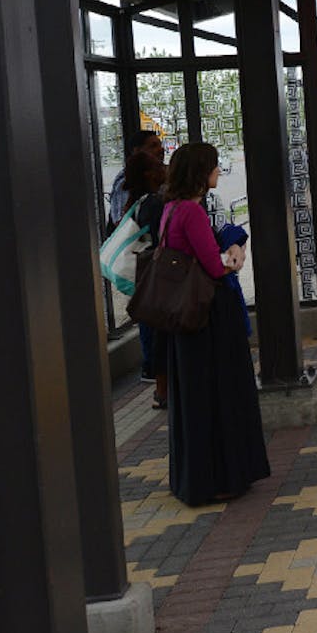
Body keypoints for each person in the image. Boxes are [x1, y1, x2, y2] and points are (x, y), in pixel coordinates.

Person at [160, 142, 270, 506]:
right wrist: (234, 260)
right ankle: (220, 477)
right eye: (214, 166)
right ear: (200, 172)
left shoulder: (170, 210)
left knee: (195, 399)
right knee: (220, 395)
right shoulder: (191, 212)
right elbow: (213, 265)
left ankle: (197, 478)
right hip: (208, 318)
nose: (218, 172)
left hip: (184, 319)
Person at [123, 148, 168, 397]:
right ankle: (157, 378)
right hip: (154, 275)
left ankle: (153, 373)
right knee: (158, 329)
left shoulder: (136, 203)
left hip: (144, 275)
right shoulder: (153, 203)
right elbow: (161, 239)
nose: (164, 168)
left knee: (150, 325)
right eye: (159, 165)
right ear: (149, 174)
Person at [109, 130, 163, 228]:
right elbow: (122, 223)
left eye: (160, 145)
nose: (161, 150)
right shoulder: (125, 182)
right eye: (153, 146)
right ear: (137, 151)